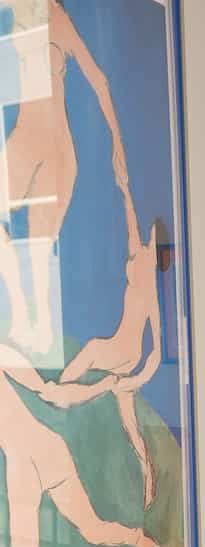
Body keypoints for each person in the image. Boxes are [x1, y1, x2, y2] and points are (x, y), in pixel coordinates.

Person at [0, 0, 131, 353]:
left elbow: (100, 82)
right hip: (23, 141)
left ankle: (38, 328)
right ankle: (23, 318)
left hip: (55, 145)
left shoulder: (56, 17)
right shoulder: (14, 11)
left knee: (41, 250)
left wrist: (117, 145)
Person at [0, 343, 158, 547]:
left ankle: (136, 539)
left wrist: (103, 385)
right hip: (27, 464)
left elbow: (50, 392)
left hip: (42, 452)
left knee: (92, 531)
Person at [59, 214, 171, 509]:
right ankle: (148, 473)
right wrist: (123, 184)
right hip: (124, 349)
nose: (144, 243)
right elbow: (131, 224)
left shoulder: (152, 291)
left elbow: (158, 352)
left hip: (125, 351)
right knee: (130, 424)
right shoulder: (140, 259)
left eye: (149, 240)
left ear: (155, 249)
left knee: (92, 352)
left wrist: (133, 381)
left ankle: (67, 393)